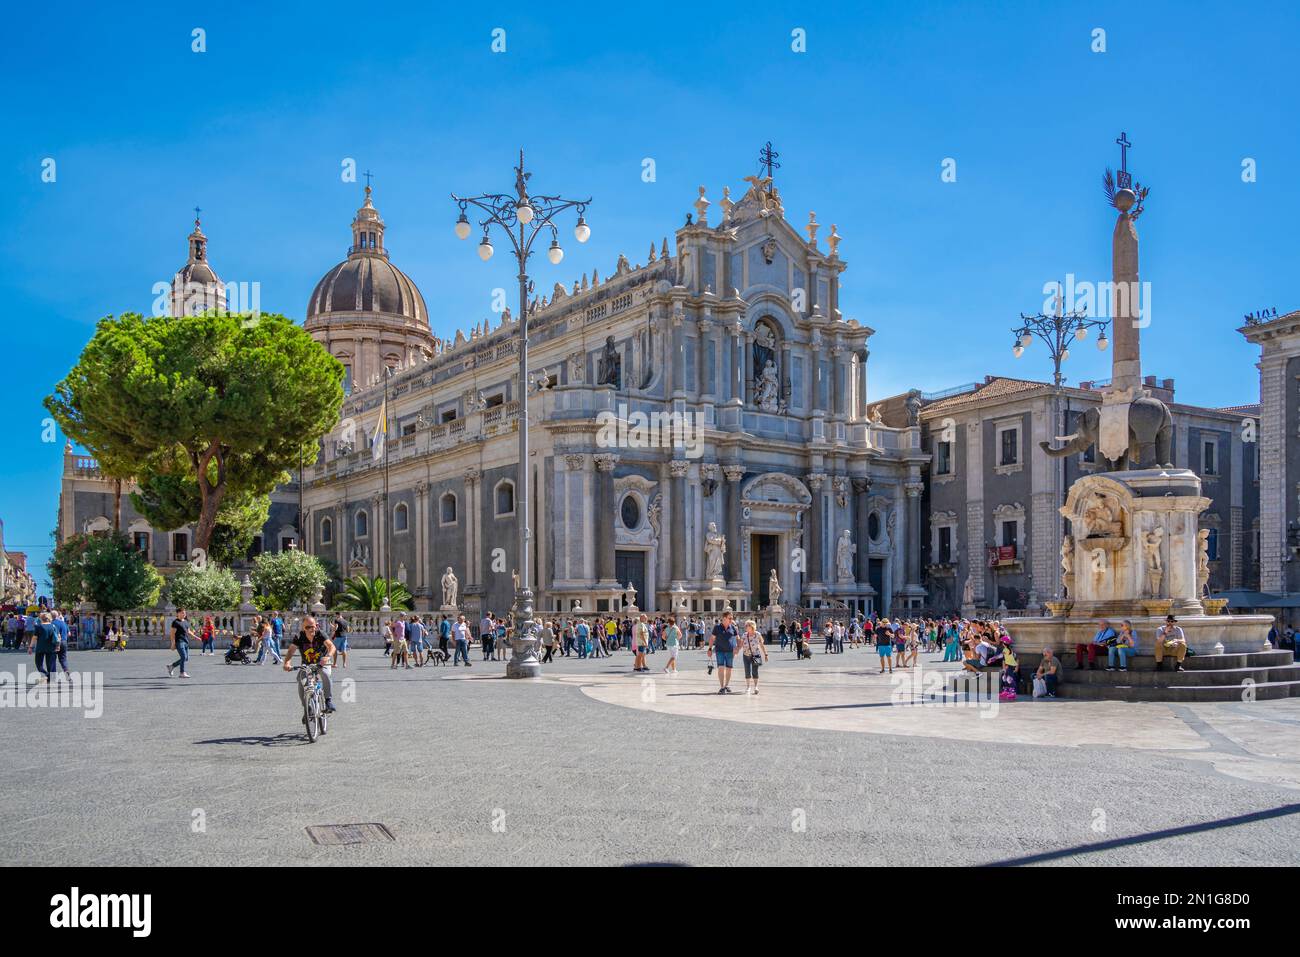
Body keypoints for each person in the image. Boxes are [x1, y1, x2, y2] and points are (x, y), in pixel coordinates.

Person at [283, 616, 336, 718]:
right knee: (301, 680)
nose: (311, 629)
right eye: (307, 627)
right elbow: (291, 651)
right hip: (307, 664)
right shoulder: (299, 637)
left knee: (325, 674)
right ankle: (307, 708)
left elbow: (331, 646)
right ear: (303, 628)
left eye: (313, 626)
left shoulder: (320, 634)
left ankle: (328, 700)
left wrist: (327, 657)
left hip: (322, 662)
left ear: (316, 626)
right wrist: (287, 663)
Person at [708, 610, 739, 694]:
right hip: (720, 651)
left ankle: (726, 685)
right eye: (730, 618)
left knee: (729, 669)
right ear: (724, 618)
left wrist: (737, 648)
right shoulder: (717, 627)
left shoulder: (733, 627)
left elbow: (738, 638)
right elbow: (712, 638)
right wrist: (710, 648)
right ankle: (722, 687)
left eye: (732, 618)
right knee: (721, 668)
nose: (731, 619)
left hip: (730, 651)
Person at [739, 618, 769, 695]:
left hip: (756, 655)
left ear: (752, 626)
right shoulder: (744, 635)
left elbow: (762, 645)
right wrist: (736, 650)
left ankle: (756, 687)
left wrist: (765, 654)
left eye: (747, 625)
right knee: (747, 670)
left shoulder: (758, 634)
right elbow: (741, 644)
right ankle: (748, 687)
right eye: (746, 626)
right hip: (746, 655)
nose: (746, 627)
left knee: (755, 671)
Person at [28, 612, 59, 683]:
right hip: (51, 647)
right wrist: (58, 646)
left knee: (39, 664)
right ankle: (51, 678)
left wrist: (30, 647)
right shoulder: (53, 626)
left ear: (41, 618)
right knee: (50, 664)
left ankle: (46, 674)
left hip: (40, 648)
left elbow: (34, 638)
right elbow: (58, 637)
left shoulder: (39, 627)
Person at [167, 608, 193, 678]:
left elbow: (188, 631)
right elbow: (172, 634)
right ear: (178, 613)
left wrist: (195, 636)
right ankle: (182, 673)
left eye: (184, 613)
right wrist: (173, 643)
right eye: (182, 613)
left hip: (186, 641)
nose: (184, 614)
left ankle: (172, 666)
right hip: (179, 642)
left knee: (186, 658)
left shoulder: (186, 621)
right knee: (184, 657)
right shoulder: (175, 622)